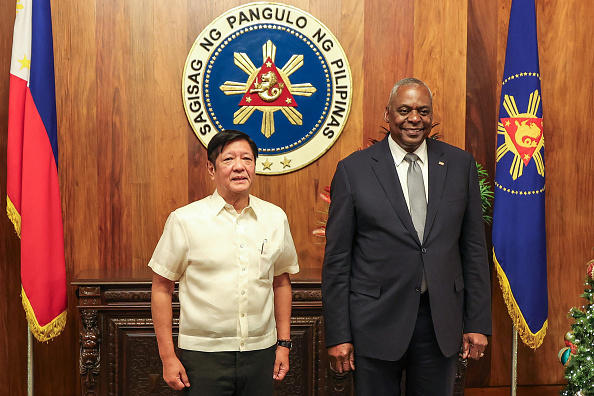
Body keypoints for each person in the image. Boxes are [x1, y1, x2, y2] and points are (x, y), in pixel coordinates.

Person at [321, 78, 492, 395]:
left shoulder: (459, 165)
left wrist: (477, 323)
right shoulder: (354, 170)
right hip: (374, 323)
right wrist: (338, 334)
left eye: (423, 111)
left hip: (439, 323)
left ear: (431, 116)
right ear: (388, 115)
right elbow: (337, 260)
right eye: (405, 110)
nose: (415, 118)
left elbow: (474, 251)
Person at [150, 130, 299, 396]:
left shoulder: (275, 218)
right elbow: (162, 289)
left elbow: (281, 282)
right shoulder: (185, 220)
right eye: (228, 159)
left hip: (260, 352)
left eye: (247, 159)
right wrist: (167, 357)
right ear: (211, 168)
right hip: (203, 357)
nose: (239, 167)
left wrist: (284, 344)